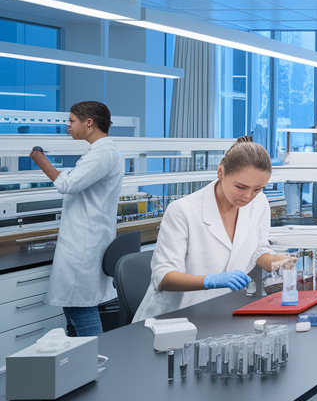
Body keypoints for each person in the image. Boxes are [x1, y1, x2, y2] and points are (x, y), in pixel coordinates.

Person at [133, 139, 290, 322]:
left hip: (220, 311)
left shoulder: (258, 202)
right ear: (221, 172)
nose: (248, 196)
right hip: (172, 317)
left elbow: (257, 247)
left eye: (257, 189)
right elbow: (164, 277)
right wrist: (210, 280)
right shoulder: (183, 211)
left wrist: (275, 261)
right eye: (240, 187)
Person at [29, 101, 125, 337]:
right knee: (74, 310)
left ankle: (95, 362)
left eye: (72, 121)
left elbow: (68, 184)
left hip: (84, 243)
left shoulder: (103, 153)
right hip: (87, 238)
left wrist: (40, 160)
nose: (68, 125)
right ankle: (80, 365)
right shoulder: (101, 151)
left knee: (80, 307)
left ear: (89, 123)